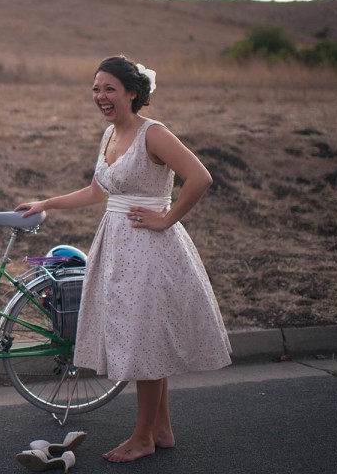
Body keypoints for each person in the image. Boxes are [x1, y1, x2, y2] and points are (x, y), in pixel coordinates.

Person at [15, 55, 232, 464]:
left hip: (150, 250)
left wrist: (166, 217)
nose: (101, 96)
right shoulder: (110, 136)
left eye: (109, 88)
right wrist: (47, 202)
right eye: (96, 88)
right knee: (143, 337)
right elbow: (98, 191)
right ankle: (161, 429)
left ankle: (141, 438)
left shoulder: (154, 134)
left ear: (133, 92)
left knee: (143, 340)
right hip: (117, 247)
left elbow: (200, 177)